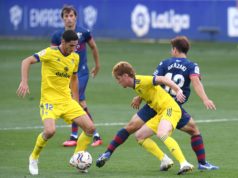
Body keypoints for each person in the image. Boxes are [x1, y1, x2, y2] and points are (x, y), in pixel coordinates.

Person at [132, 36, 219, 171]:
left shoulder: (165, 63)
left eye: (171, 49)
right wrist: (205, 99)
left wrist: (139, 96)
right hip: (173, 108)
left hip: (157, 104)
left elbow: (152, 82)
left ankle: (164, 159)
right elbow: (196, 82)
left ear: (175, 50)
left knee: (139, 135)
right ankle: (200, 163)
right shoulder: (192, 65)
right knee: (194, 131)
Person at [17, 30, 95, 175]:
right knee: (50, 131)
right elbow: (26, 61)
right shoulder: (49, 53)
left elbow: (74, 78)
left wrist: (76, 101)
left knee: (90, 128)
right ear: (63, 42)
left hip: (66, 100)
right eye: (71, 46)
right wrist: (24, 81)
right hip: (49, 100)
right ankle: (34, 157)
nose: (73, 49)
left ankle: (76, 158)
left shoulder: (75, 57)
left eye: (75, 46)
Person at [96, 61, 194, 175]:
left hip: (170, 108)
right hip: (160, 112)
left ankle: (184, 163)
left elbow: (162, 79)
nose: (118, 82)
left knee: (162, 133)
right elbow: (149, 89)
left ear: (125, 76)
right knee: (140, 136)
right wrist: (139, 97)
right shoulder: (136, 85)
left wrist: (178, 90)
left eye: (118, 79)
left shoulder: (140, 80)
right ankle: (165, 160)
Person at [51, 5, 102, 147]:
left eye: (71, 16)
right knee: (82, 104)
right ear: (62, 19)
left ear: (76, 17)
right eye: (66, 16)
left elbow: (93, 47)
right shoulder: (57, 36)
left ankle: (74, 137)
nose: (69, 19)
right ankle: (96, 135)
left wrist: (97, 65)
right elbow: (53, 55)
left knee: (74, 100)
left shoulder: (84, 32)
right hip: (67, 74)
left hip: (81, 72)